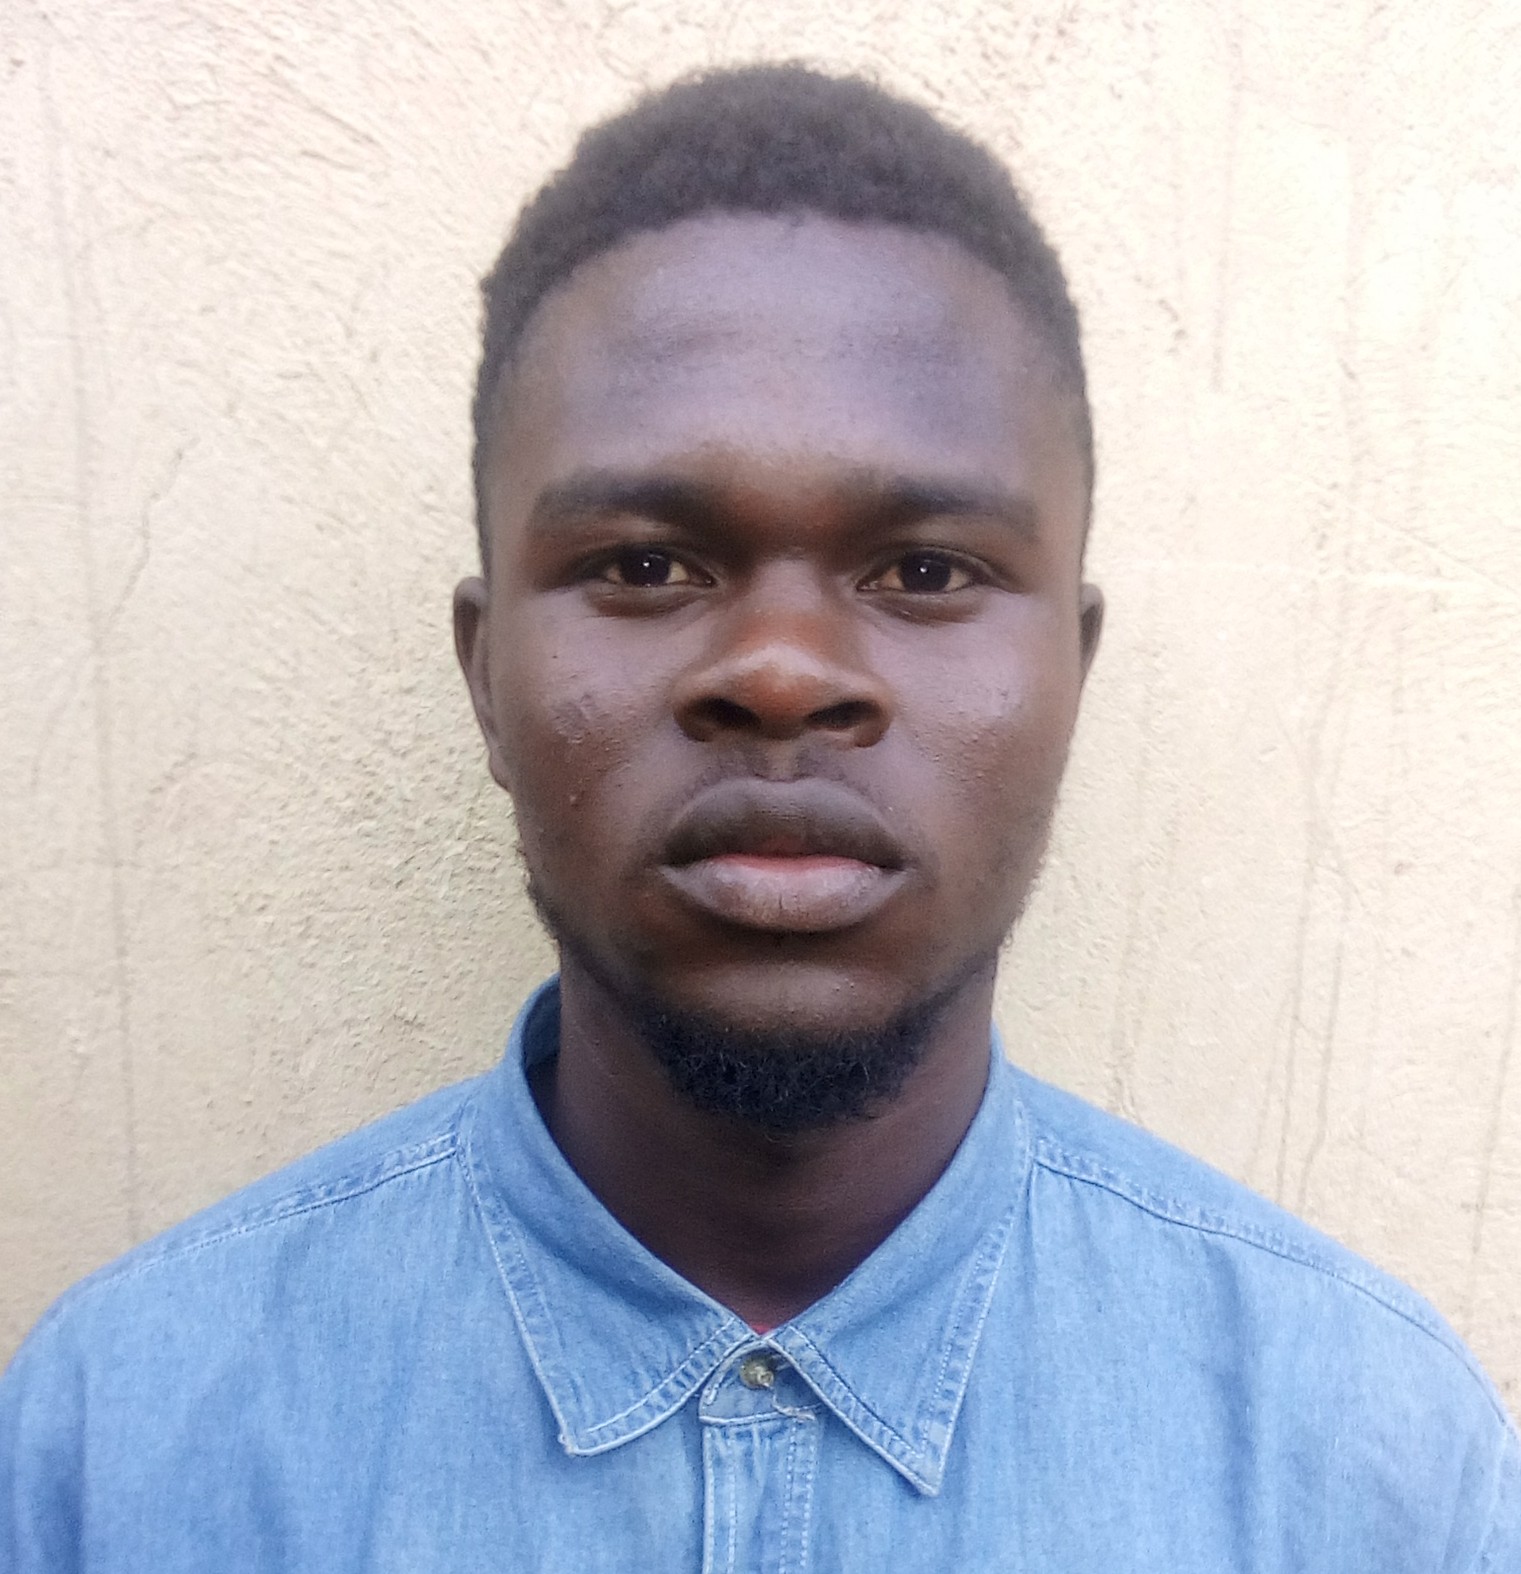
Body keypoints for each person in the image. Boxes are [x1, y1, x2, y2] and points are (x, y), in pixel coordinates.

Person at [2, 62, 1516, 1573]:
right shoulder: (119, 1446)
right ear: (484, 678)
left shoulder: (1370, 1464)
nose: (782, 671)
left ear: (1073, 672)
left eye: (925, 571)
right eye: (645, 565)